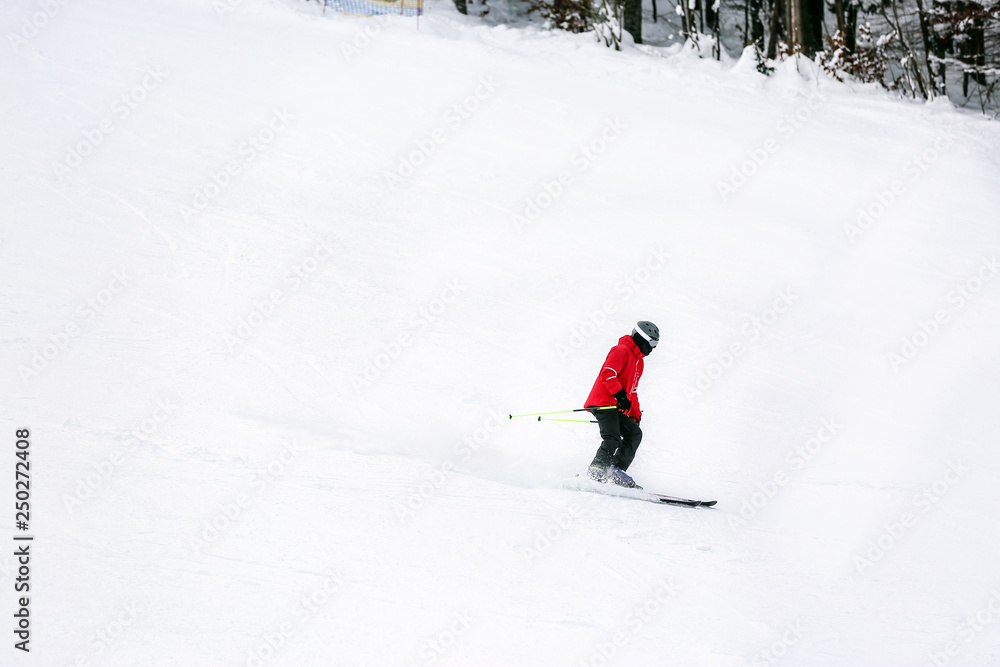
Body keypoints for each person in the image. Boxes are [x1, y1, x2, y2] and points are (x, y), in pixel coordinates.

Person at [584, 321, 659, 488]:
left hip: (616, 405)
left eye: (656, 344)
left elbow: (632, 390)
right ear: (641, 339)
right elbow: (608, 373)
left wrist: (635, 414)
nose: (653, 348)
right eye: (652, 343)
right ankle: (596, 471)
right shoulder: (620, 351)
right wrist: (620, 395)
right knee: (612, 438)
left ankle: (615, 471)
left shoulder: (639, 361)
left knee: (634, 434)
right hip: (603, 403)